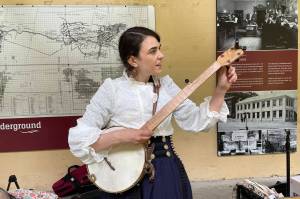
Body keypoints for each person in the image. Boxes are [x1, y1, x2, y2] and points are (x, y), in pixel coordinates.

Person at [68, 26, 238, 199]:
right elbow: (79, 139)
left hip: (164, 172)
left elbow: (198, 121)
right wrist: (123, 136)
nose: (161, 55)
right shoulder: (112, 89)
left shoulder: (167, 86)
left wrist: (221, 89)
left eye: (160, 48)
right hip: (123, 175)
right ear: (133, 60)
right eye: (153, 51)